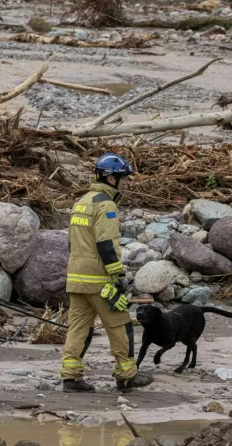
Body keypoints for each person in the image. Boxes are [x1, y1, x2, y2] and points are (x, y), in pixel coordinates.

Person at [61, 153, 153, 392]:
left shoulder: (82, 202)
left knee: (78, 328)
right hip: (99, 280)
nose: (127, 183)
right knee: (120, 324)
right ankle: (127, 375)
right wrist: (118, 275)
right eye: (124, 178)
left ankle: (71, 378)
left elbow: (72, 242)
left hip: (76, 278)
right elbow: (106, 244)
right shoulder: (106, 205)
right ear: (111, 179)